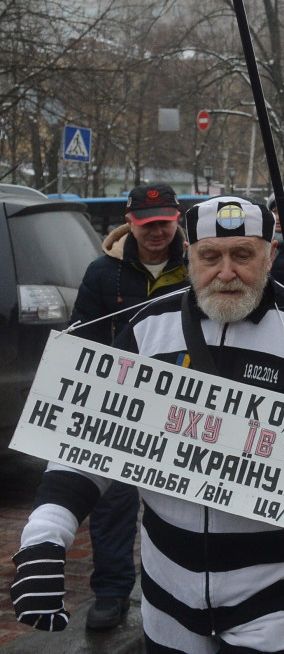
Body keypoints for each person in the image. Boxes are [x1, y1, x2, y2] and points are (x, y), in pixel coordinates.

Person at [11, 197, 284, 652]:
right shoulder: (147, 328)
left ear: (271, 254)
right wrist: (45, 536)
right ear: (189, 255)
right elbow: (92, 440)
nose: (225, 272)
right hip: (168, 599)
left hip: (277, 597)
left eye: (243, 254)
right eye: (210, 256)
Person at [66, 183, 189, 630]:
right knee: (112, 503)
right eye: (146, 224)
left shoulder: (200, 267)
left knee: (182, 508)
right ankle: (112, 591)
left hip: (184, 411)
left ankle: (181, 591)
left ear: (177, 219)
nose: (155, 232)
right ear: (129, 222)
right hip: (121, 408)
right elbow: (81, 337)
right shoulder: (103, 273)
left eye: (163, 222)